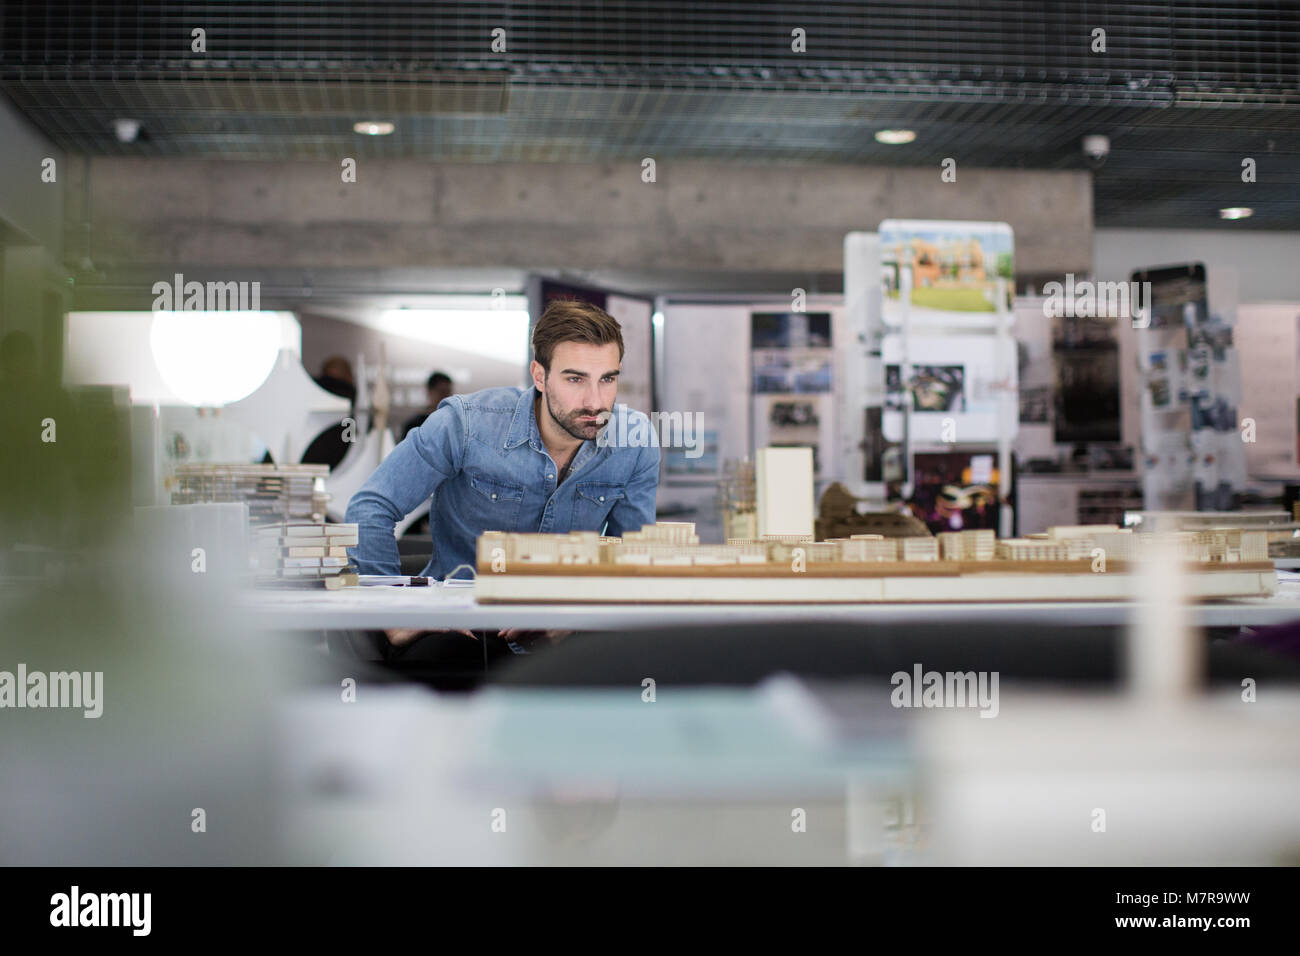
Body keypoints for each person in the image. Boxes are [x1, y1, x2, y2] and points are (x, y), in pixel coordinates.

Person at [345, 298, 659, 658]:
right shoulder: (465, 424)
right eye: (575, 379)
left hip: (562, 629)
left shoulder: (635, 442)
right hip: (463, 628)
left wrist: (575, 617)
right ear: (539, 376)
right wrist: (396, 611)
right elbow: (371, 507)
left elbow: (631, 559)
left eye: (608, 379)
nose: (595, 401)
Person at [401, 371, 454, 441]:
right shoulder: (414, 425)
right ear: (430, 391)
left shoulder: (454, 425)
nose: (447, 397)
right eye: (442, 392)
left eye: (449, 392)